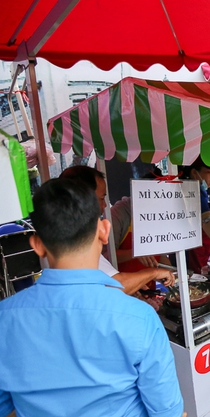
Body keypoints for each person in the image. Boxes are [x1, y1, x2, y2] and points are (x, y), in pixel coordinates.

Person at [0, 178, 184, 416]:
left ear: (37, 244)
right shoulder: (140, 318)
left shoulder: (5, 319)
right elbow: (167, 411)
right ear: (104, 231)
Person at [59, 165, 175, 295]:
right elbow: (112, 268)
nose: (104, 205)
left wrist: (173, 273)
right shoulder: (118, 215)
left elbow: (159, 254)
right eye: (102, 198)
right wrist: (148, 268)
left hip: (139, 286)